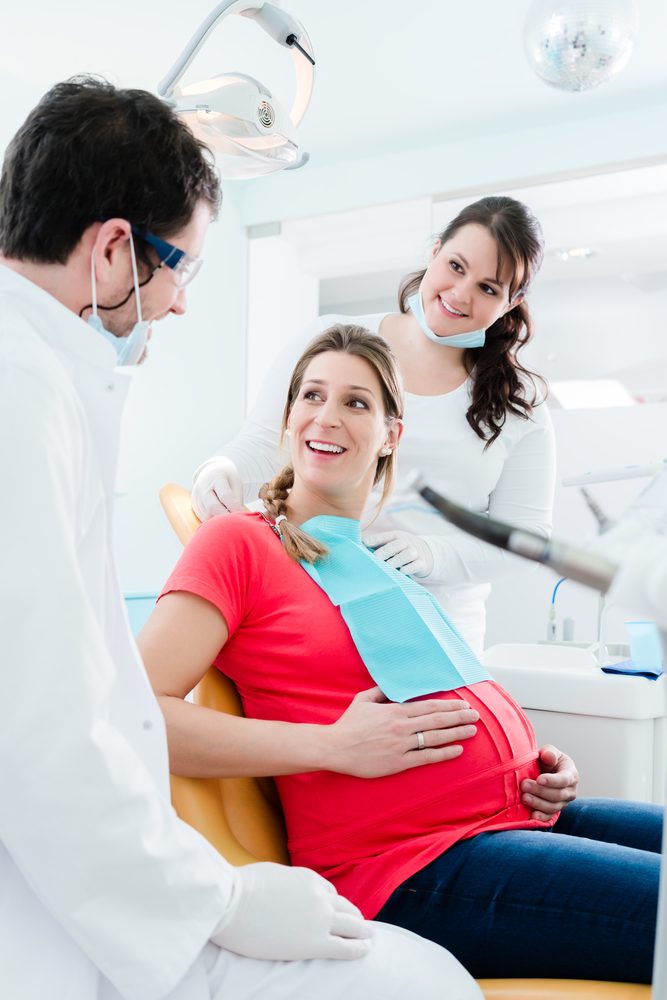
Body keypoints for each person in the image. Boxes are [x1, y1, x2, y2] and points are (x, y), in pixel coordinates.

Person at [0, 79, 482, 1000]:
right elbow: (39, 730)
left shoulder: (47, 382)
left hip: (120, 879)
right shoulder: (23, 395)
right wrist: (215, 898)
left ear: (393, 435)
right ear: (111, 248)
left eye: (359, 402)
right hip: (86, 906)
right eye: (181, 266)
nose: (179, 305)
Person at [142, 324, 661, 984]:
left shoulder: (374, 559)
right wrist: (330, 746)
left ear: (391, 433)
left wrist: (532, 762)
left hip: (517, 813)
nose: (326, 416)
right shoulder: (239, 545)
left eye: (355, 402)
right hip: (414, 865)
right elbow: (141, 716)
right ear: (287, 417)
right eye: (311, 395)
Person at [191, 196, 556, 653]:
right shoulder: (334, 341)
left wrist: (433, 555)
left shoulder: (519, 405)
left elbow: (527, 539)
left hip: (435, 640)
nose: (461, 293)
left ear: (512, 302)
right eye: (456, 266)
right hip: (311, 611)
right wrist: (220, 469)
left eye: (488, 287)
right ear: (434, 251)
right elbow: (266, 443)